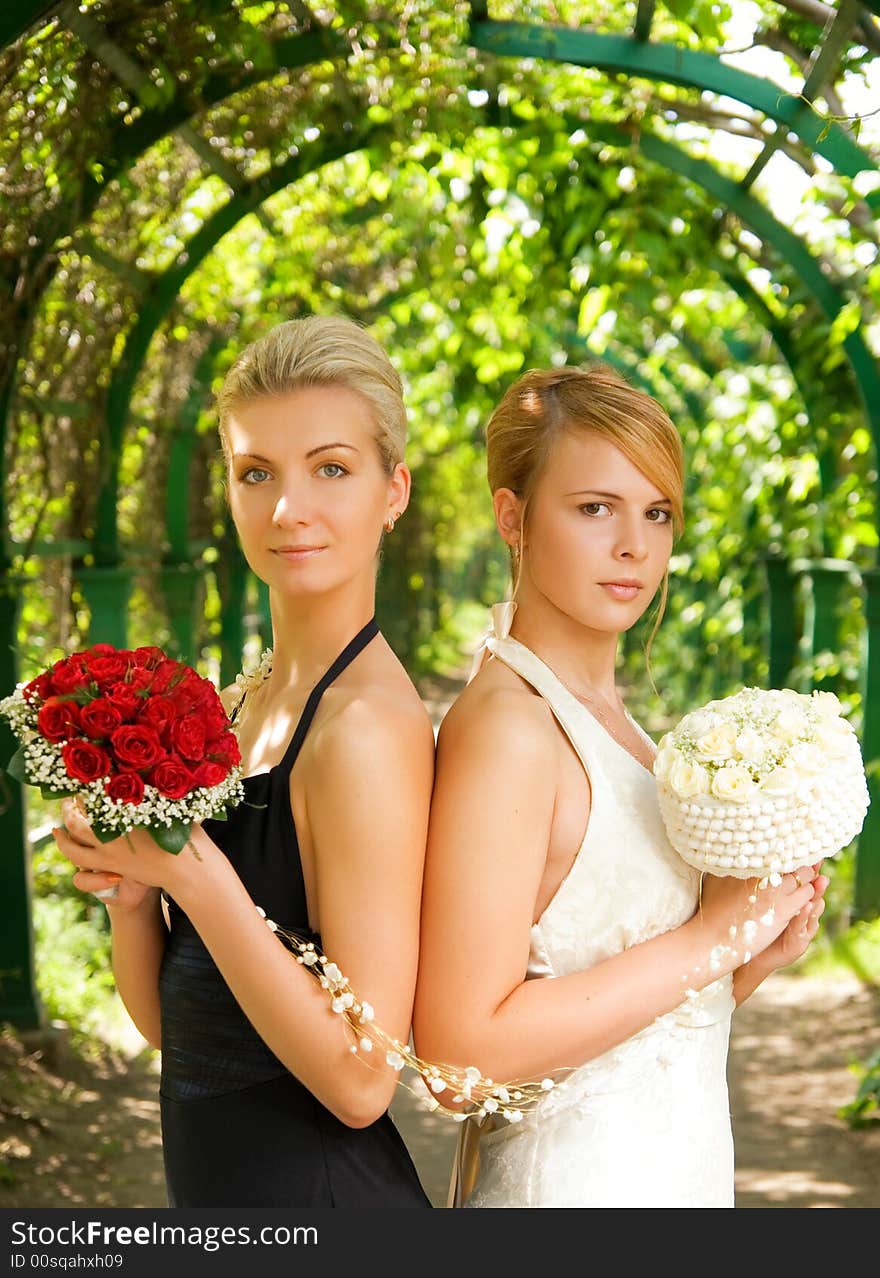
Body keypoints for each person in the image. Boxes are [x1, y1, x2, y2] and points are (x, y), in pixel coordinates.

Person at [412, 364, 828, 1209]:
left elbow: (632, 1029)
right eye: (595, 508)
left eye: (657, 513)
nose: (635, 544)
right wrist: (712, 934)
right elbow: (459, 1058)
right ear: (512, 517)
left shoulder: (617, 727)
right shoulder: (510, 731)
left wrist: (743, 959)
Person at [53, 315, 435, 1208]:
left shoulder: (365, 729)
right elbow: (173, 1027)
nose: (286, 508)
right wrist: (133, 889)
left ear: (394, 490)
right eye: (255, 472)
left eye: (331, 469)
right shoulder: (245, 702)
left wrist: (194, 875)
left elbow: (361, 1080)